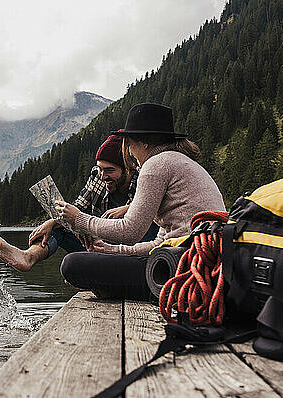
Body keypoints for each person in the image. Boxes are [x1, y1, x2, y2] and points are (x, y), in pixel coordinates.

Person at [54, 103, 226, 300]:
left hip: (183, 269)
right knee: (88, 266)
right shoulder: (179, 161)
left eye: (129, 144)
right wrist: (112, 250)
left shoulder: (155, 165)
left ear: (144, 143)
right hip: (203, 265)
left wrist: (78, 219)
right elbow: (160, 242)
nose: (128, 151)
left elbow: (130, 231)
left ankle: (132, 290)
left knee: (72, 265)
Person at [0, 135, 158, 272]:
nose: (102, 175)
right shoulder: (97, 176)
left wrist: (131, 208)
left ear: (127, 169)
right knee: (57, 228)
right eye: (100, 168)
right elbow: (78, 206)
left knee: (148, 225)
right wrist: (53, 221)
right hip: (99, 245)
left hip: (132, 249)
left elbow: (158, 208)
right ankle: (28, 257)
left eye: (109, 170)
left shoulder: (143, 178)